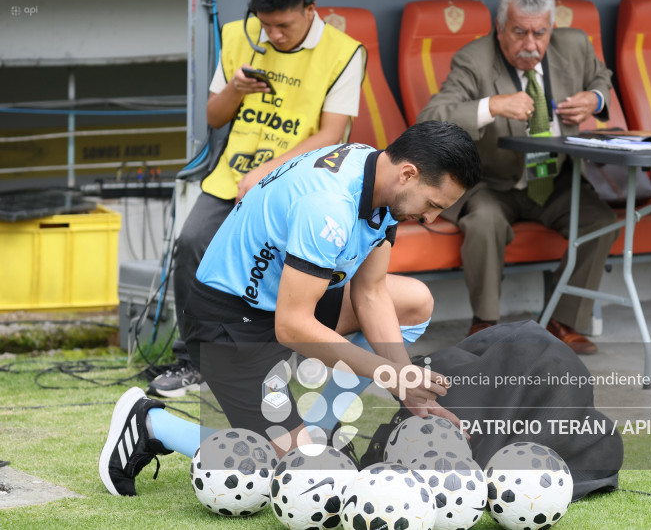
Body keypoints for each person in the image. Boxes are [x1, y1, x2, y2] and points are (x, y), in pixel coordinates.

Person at [99, 121, 482, 497]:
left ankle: (318, 430)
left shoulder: (380, 176)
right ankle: (152, 423)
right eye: (432, 205)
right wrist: (388, 373)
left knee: (414, 302)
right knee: (304, 477)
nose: (431, 219)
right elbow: (293, 326)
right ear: (408, 173)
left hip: (288, 299)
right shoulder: (330, 204)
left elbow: (370, 292)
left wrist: (406, 383)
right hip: (229, 322)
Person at [148, 0, 366, 397]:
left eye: (283, 26)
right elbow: (215, 117)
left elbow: (330, 135)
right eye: (266, 26)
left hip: (301, 181)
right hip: (233, 176)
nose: (274, 36)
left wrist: (267, 173)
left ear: (309, 9)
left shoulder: (344, 52)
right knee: (193, 242)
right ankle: (194, 361)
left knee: (301, 261)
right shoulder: (238, 36)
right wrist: (235, 88)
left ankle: (287, 354)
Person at [417, 0, 618, 354]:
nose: (530, 44)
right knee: (485, 223)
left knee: (600, 221)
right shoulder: (473, 59)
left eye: (539, 33)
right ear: (500, 29)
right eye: (520, 32)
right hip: (492, 184)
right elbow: (431, 118)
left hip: (556, 180)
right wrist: (490, 105)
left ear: (550, 29)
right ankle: (485, 325)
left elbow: (602, 79)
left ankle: (561, 322)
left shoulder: (575, 45)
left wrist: (596, 100)